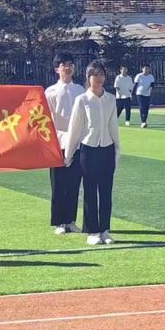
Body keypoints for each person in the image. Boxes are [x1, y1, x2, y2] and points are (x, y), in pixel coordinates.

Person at [64, 61, 120, 246]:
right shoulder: (82, 100)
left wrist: (117, 150)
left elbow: (113, 126)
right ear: (88, 78)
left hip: (107, 148)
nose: (99, 78)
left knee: (106, 192)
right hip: (88, 149)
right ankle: (93, 231)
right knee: (90, 191)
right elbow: (75, 128)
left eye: (102, 74)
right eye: (95, 75)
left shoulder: (111, 99)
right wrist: (69, 153)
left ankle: (105, 229)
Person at [45, 52, 84, 235]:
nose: (67, 68)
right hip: (58, 142)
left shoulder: (80, 91)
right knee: (58, 184)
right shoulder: (50, 91)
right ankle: (59, 222)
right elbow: (46, 119)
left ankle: (70, 220)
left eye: (70, 64)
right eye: (63, 64)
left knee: (74, 183)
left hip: (77, 142)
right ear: (57, 69)